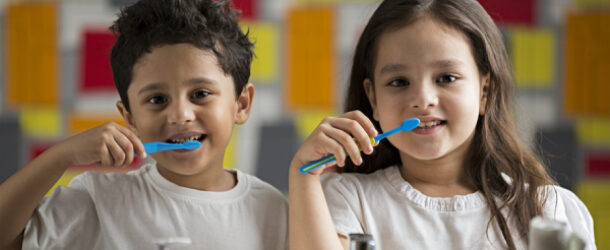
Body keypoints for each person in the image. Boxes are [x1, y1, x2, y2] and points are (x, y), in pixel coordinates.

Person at [288, 0, 596, 249]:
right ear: (374, 99)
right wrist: (302, 173)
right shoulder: (345, 200)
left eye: (446, 78)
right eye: (399, 82)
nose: (423, 100)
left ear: (484, 91)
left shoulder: (549, 210)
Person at [0, 0, 288, 249]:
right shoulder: (101, 200)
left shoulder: (273, 210)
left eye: (200, 94)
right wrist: (63, 155)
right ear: (130, 118)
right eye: (157, 99)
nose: (180, 115)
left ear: (241, 104)